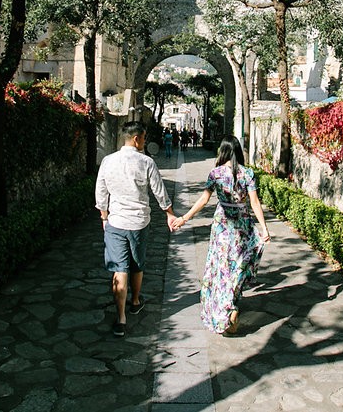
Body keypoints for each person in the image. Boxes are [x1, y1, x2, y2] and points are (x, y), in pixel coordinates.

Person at [171, 135, 270, 335]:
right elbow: (255, 203)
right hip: (242, 224)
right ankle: (231, 304)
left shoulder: (215, 174)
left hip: (222, 226)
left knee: (221, 267)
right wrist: (264, 228)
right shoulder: (247, 173)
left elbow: (203, 199)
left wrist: (184, 218)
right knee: (237, 266)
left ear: (223, 151)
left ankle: (225, 308)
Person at [95, 120, 178, 337]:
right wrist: (169, 213)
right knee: (137, 263)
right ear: (136, 138)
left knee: (119, 268)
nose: (144, 141)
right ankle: (135, 300)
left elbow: (101, 191)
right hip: (139, 222)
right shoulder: (146, 162)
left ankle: (121, 318)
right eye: (143, 137)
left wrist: (104, 216)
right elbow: (159, 191)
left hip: (116, 222)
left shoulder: (108, 161)